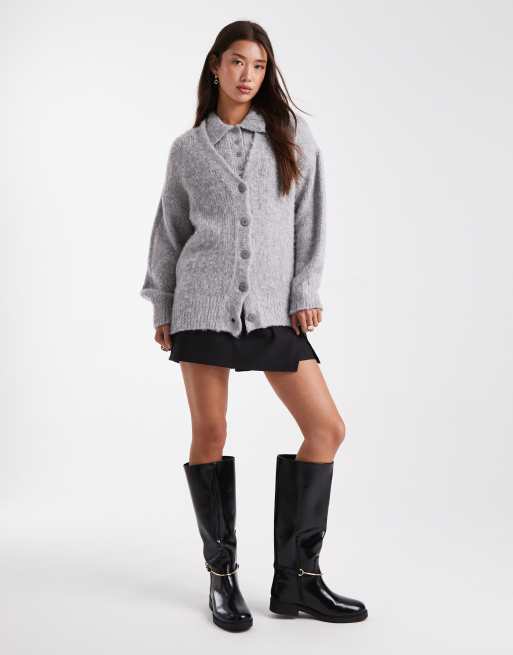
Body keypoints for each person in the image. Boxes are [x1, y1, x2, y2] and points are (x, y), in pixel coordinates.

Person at [140, 20, 368, 632]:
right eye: (238, 62)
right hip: (202, 305)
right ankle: (222, 577)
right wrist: (164, 307)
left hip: (271, 310)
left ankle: (297, 581)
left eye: (260, 65)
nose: (248, 75)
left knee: (326, 428)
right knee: (211, 431)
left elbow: (310, 218)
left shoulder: (290, 135)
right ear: (216, 66)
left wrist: (305, 290)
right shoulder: (188, 150)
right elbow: (170, 234)